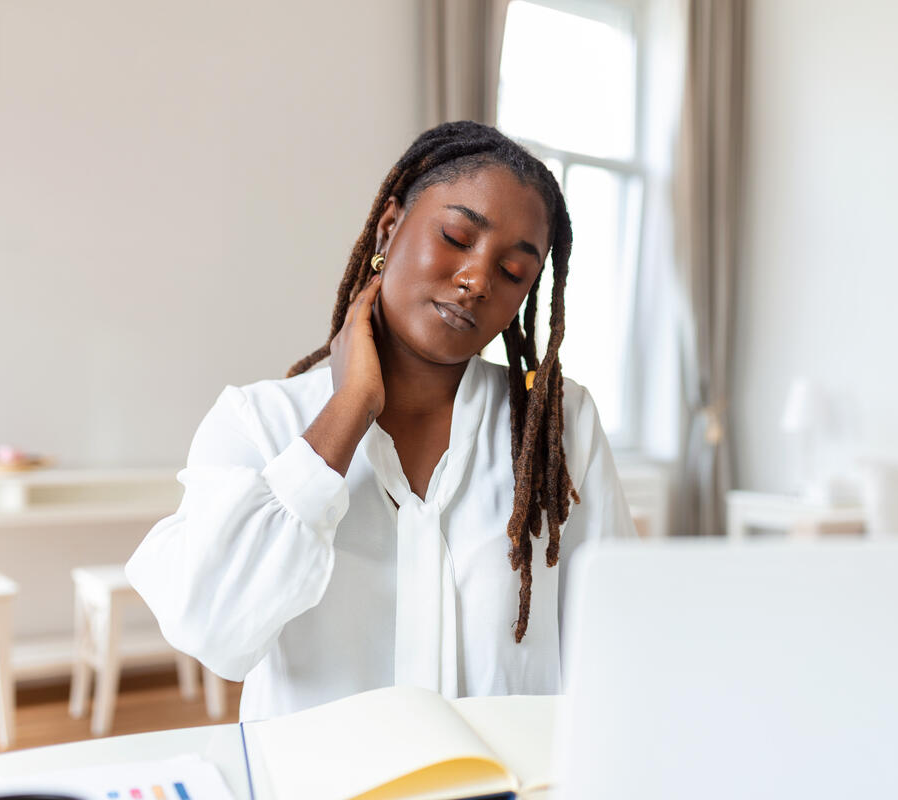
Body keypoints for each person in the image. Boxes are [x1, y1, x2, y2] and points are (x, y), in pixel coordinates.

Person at [126, 121, 637, 721]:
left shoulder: (559, 428)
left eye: (513, 273)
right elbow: (214, 630)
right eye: (456, 236)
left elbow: (618, 650)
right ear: (389, 227)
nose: (477, 280)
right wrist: (347, 412)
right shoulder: (259, 420)